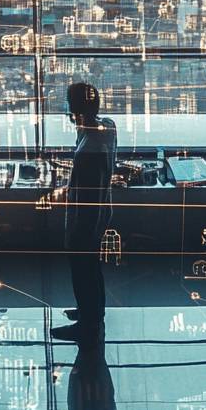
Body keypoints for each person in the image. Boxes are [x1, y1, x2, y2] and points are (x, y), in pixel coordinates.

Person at [51, 82, 117, 345]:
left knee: (82, 268)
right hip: (102, 209)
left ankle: (87, 323)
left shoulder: (90, 144)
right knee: (92, 267)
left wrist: (81, 228)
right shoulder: (106, 126)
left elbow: (88, 191)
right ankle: (93, 312)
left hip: (86, 217)